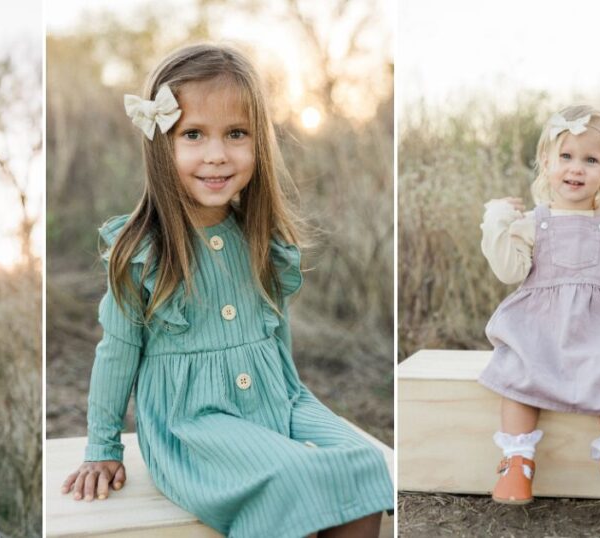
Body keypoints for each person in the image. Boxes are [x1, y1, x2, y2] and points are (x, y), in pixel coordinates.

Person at [59, 44, 394, 537]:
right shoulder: (142, 251)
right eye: (193, 134)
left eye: (236, 134)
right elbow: (117, 352)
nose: (216, 155)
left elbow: (277, 335)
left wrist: (296, 403)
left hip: (277, 398)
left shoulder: (262, 238)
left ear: (259, 142)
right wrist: (103, 448)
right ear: (161, 144)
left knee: (364, 462)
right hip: (193, 424)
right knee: (293, 476)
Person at [479, 104, 600, 504]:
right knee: (517, 374)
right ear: (546, 162)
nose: (576, 168)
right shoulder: (535, 222)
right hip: (540, 331)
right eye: (566, 156)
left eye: (590, 160)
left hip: (599, 331)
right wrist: (495, 223)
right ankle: (517, 463)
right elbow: (509, 270)